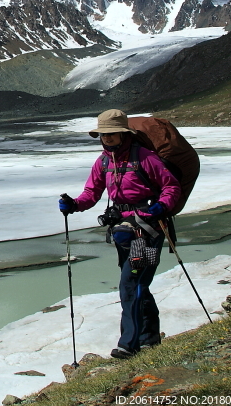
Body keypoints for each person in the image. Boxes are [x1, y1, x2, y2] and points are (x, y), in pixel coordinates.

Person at [58, 109, 182, 360]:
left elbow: (171, 186)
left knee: (131, 285)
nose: (107, 138)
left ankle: (129, 344)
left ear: (123, 133)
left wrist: (161, 206)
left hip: (147, 231)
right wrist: (74, 205)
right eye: (103, 134)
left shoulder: (145, 157)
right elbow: (91, 194)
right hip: (124, 234)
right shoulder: (103, 162)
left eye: (111, 134)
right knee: (138, 285)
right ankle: (149, 338)